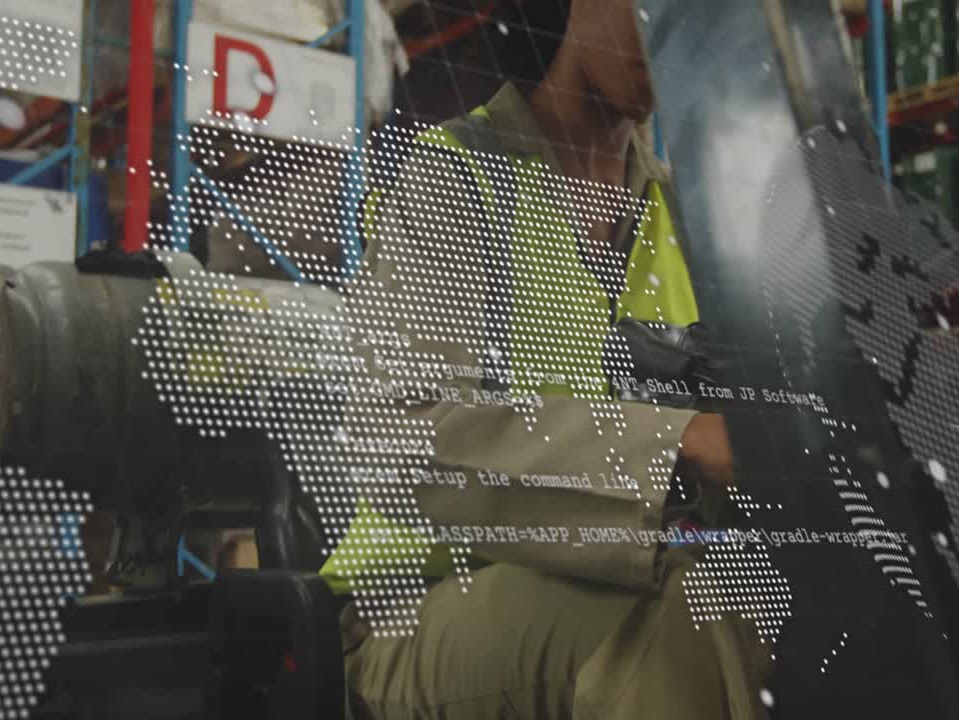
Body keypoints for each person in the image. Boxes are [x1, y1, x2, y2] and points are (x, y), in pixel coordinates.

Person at [325, 0, 773, 716]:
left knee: (793, 602)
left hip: (617, 570)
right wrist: (679, 442)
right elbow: (399, 437)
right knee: (686, 619)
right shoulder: (456, 179)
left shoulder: (686, 219)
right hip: (418, 600)